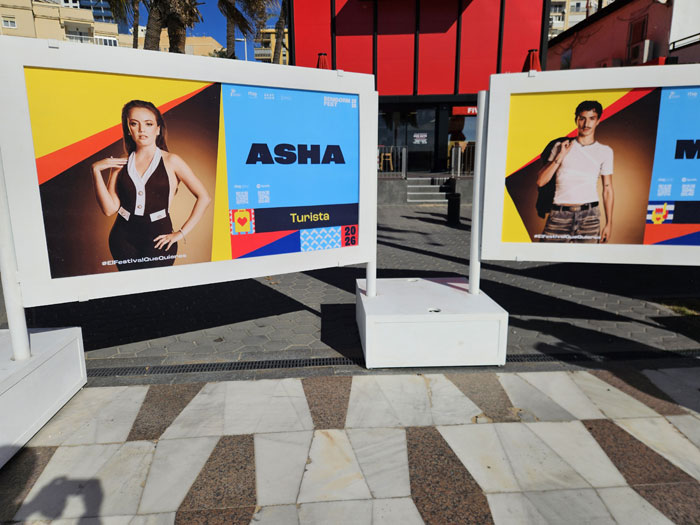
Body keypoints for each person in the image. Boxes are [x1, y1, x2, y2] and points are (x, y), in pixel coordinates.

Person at [92, 100, 211, 270]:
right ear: (128, 129)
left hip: (158, 238)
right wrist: (95, 171)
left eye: (148, 124)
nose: (142, 129)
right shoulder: (121, 162)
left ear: (158, 129)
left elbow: (204, 197)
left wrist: (181, 233)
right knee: (131, 284)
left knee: (156, 284)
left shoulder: (172, 161)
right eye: (134, 123)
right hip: (122, 238)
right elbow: (109, 209)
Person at [536, 100, 614, 243]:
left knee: (587, 258)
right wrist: (560, 155)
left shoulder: (605, 152)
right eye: (582, 118)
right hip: (559, 215)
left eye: (591, 118)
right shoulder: (560, 146)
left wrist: (609, 223)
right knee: (547, 255)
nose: (586, 124)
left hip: (590, 217)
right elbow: (541, 181)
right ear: (576, 120)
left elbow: (608, 189)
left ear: (598, 121)